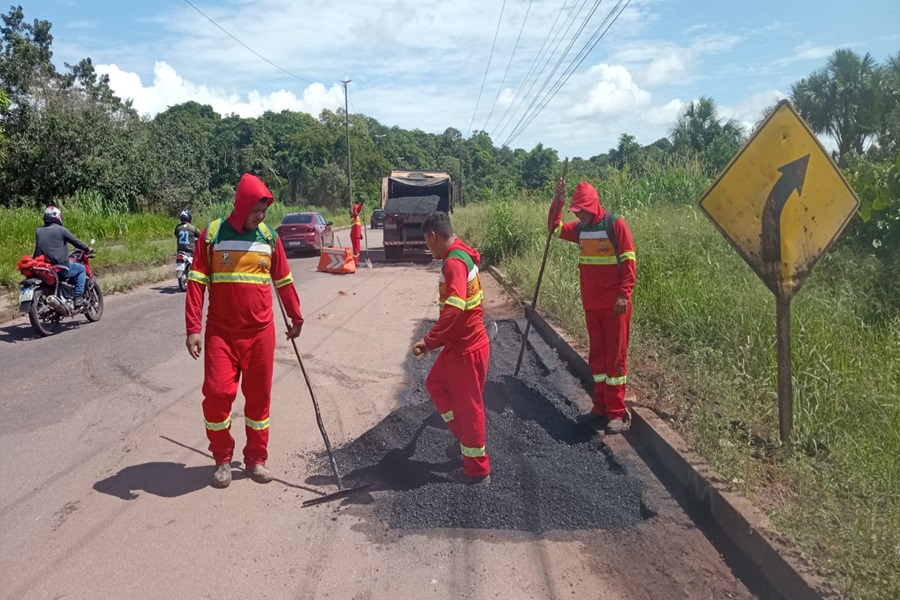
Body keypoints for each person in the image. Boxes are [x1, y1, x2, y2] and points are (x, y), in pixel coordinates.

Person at [185, 173, 304, 489]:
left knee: (258, 400)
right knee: (216, 394)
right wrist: (192, 328)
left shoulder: (269, 238)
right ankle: (222, 458)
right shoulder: (212, 235)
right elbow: (196, 283)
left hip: (261, 333)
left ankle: (256, 460)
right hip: (221, 334)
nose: (260, 216)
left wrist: (296, 316)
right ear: (242, 206)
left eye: (264, 211)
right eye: (256, 210)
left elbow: (284, 281)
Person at [548, 180, 636, 434]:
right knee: (597, 356)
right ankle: (599, 407)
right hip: (592, 304)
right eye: (576, 212)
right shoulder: (580, 230)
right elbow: (554, 229)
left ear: (592, 206)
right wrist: (558, 200)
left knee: (615, 358)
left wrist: (624, 294)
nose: (579, 216)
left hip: (615, 306)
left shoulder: (614, 224)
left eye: (582, 211)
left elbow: (630, 261)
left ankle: (616, 413)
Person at [412, 211, 491, 484]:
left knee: (469, 408)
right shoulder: (460, 254)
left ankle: (477, 470)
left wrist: (429, 341)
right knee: (436, 383)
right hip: (459, 345)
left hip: (467, 349)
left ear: (433, 236)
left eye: (426, 241)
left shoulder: (454, 263)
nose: (427, 247)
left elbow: (455, 307)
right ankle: (464, 438)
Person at [33, 205, 92, 308]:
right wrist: (87, 248)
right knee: (81, 269)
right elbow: (75, 241)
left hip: (43, 267)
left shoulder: (39, 231)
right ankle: (78, 297)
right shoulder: (60, 230)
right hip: (59, 266)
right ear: (57, 216)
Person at [350, 196, 364, 266]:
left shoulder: (356, 217)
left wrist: (360, 234)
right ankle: (355, 263)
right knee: (356, 250)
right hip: (355, 235)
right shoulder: (354, 215)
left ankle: (356, 262)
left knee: (357, 250)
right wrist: (361, 204)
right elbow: (358, 210)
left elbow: (357, 227)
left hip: (357, 235)